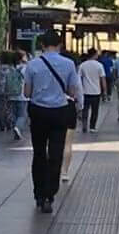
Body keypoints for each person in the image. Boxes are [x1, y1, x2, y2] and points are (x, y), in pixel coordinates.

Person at [21, 31, 79, 213]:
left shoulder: (32, 64)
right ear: (60, 44)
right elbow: (72, 90)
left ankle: (38, 194)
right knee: (56, 153)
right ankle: (49, 195)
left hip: (38, 112)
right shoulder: (69, 64)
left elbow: (27, 93)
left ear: (42, 45)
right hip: (60, 112)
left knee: (39, 153)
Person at [77, 48, 106, 134]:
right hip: (96, 92)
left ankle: (84, 125)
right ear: (94, 55)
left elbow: (79, 79)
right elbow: (103, 79)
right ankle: (92, 127)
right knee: (95, 110)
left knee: (85, 110)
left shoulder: (82, 65)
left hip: (85, 92)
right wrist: (104, 91)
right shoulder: (99, 65)